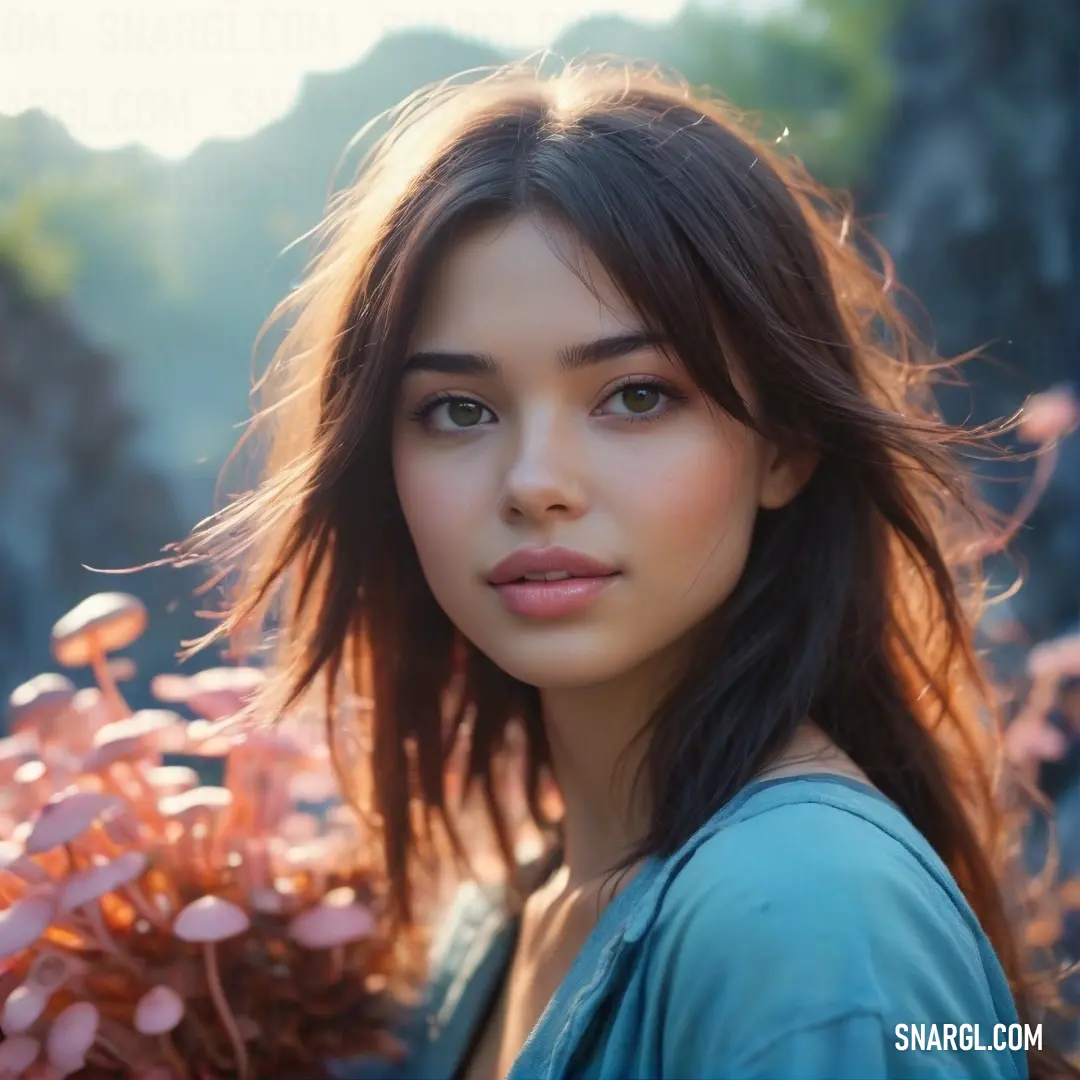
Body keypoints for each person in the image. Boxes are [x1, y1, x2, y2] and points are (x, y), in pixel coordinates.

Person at [180, 63, 1078, 1079]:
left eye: (637, 396)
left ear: (784, 445)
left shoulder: (810, 917)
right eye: (459, 411)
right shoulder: (492, 918)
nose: (535, 484)